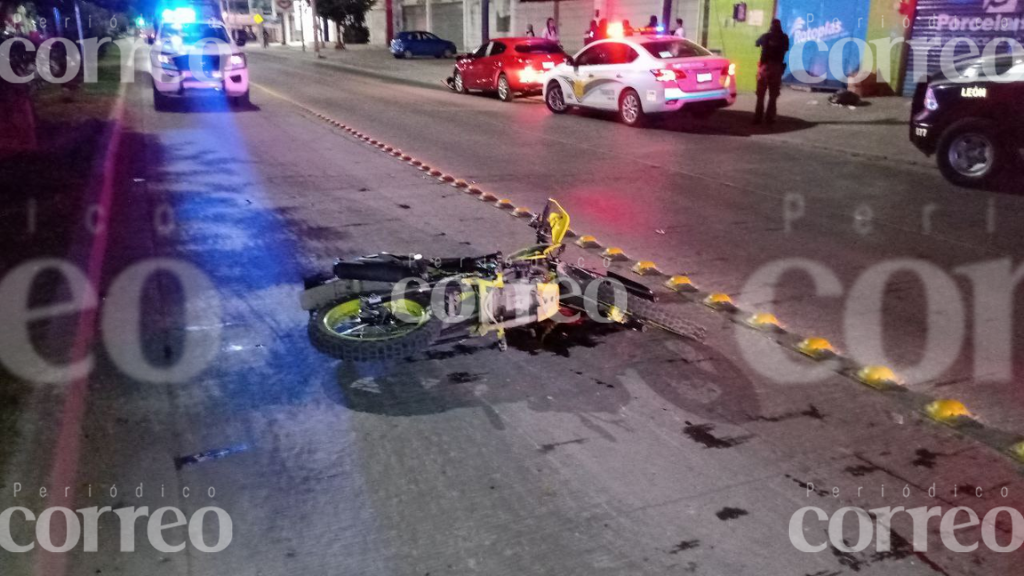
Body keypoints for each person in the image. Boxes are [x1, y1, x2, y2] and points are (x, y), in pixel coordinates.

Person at [753, 18, 789, 126]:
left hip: (765, 67)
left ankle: (757, 118)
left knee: (760, 95)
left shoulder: (765, 36)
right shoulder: (784, 37)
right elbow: (786, 49)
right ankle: (770, 118)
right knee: (773, 95)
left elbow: (756, 43)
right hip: (777, 67)